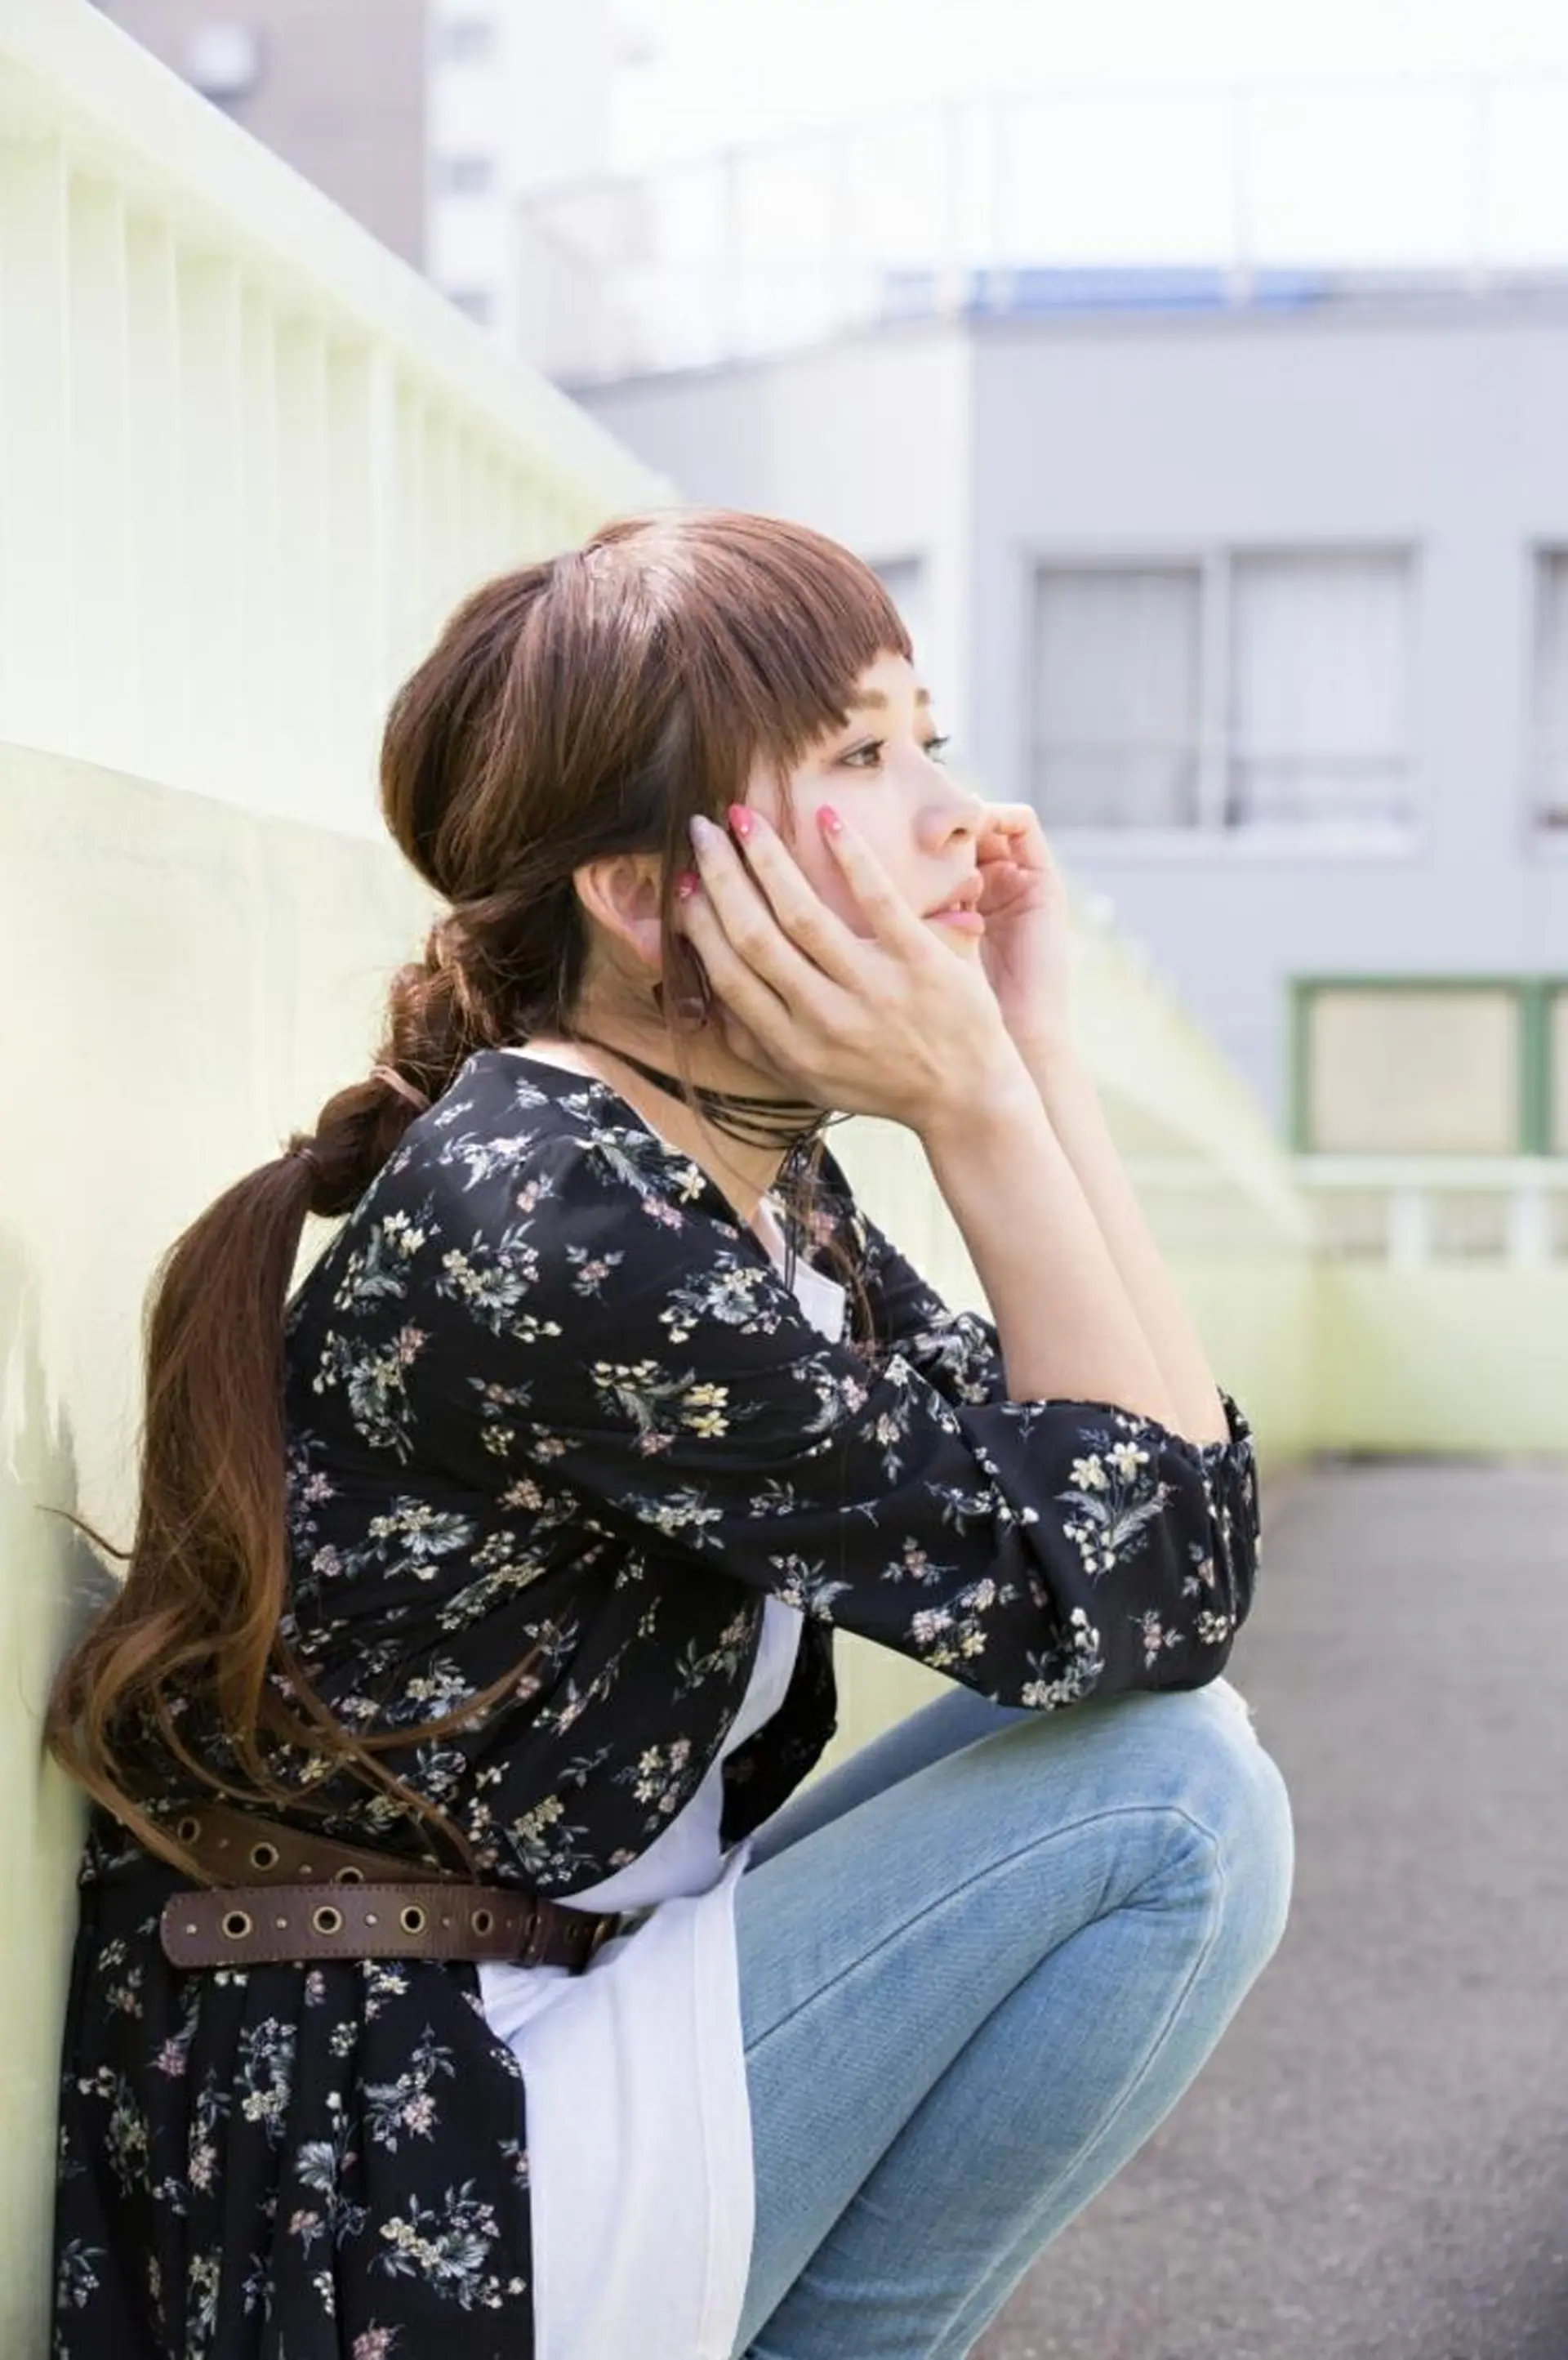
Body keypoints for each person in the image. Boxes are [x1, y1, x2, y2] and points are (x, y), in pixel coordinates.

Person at [46, 508, 1293, 2360]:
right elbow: (1137, 1590)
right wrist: (973, 1107)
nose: (959, 812)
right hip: (397, 2161)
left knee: (1173, 1755)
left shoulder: (747, 1184)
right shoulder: (553, 1219)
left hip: (550, 2018)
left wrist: (1029, 1071)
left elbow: (1165, 1541)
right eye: (864, 756)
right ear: (644, 902)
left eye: (923, 735)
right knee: (1170, 1809)